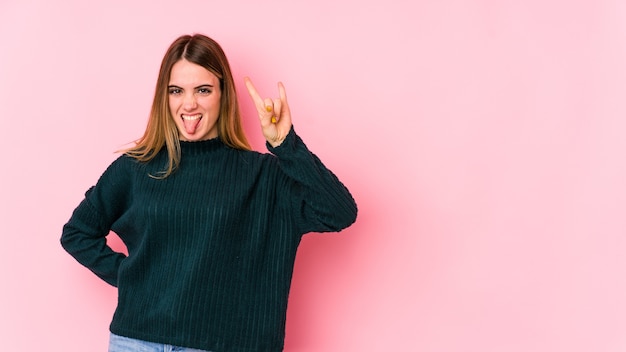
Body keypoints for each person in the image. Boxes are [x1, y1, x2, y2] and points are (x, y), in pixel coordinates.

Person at [60, 33, 357, 352]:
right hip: (136, 341)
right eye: (177, 91)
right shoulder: (137, 167)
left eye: (203, 90)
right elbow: (77, 233)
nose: (189, 103)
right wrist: (131, 276)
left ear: (223, 94)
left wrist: (287, 145)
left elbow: (339, 212)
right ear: (165, 97)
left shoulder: (264, 176)